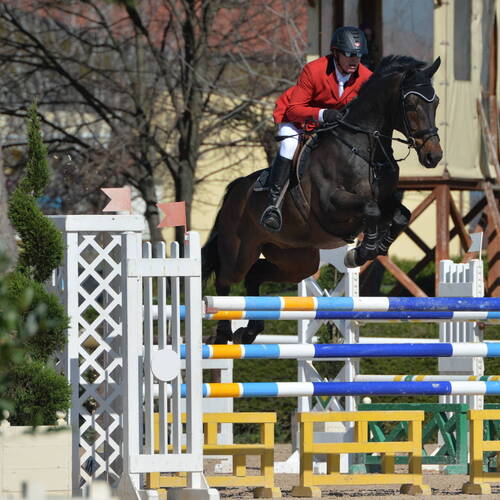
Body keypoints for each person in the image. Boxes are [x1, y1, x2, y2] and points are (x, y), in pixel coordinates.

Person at [261, 26, 373, 233]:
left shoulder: (365, 77)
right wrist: (322, 114)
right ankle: (273, 205)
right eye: (349, 54)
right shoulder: (314, 70)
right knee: (289, 144)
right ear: (336, 52)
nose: (354, 60)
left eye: (358, 55)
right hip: (295, 120)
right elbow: (295, 109)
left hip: (330, 126)